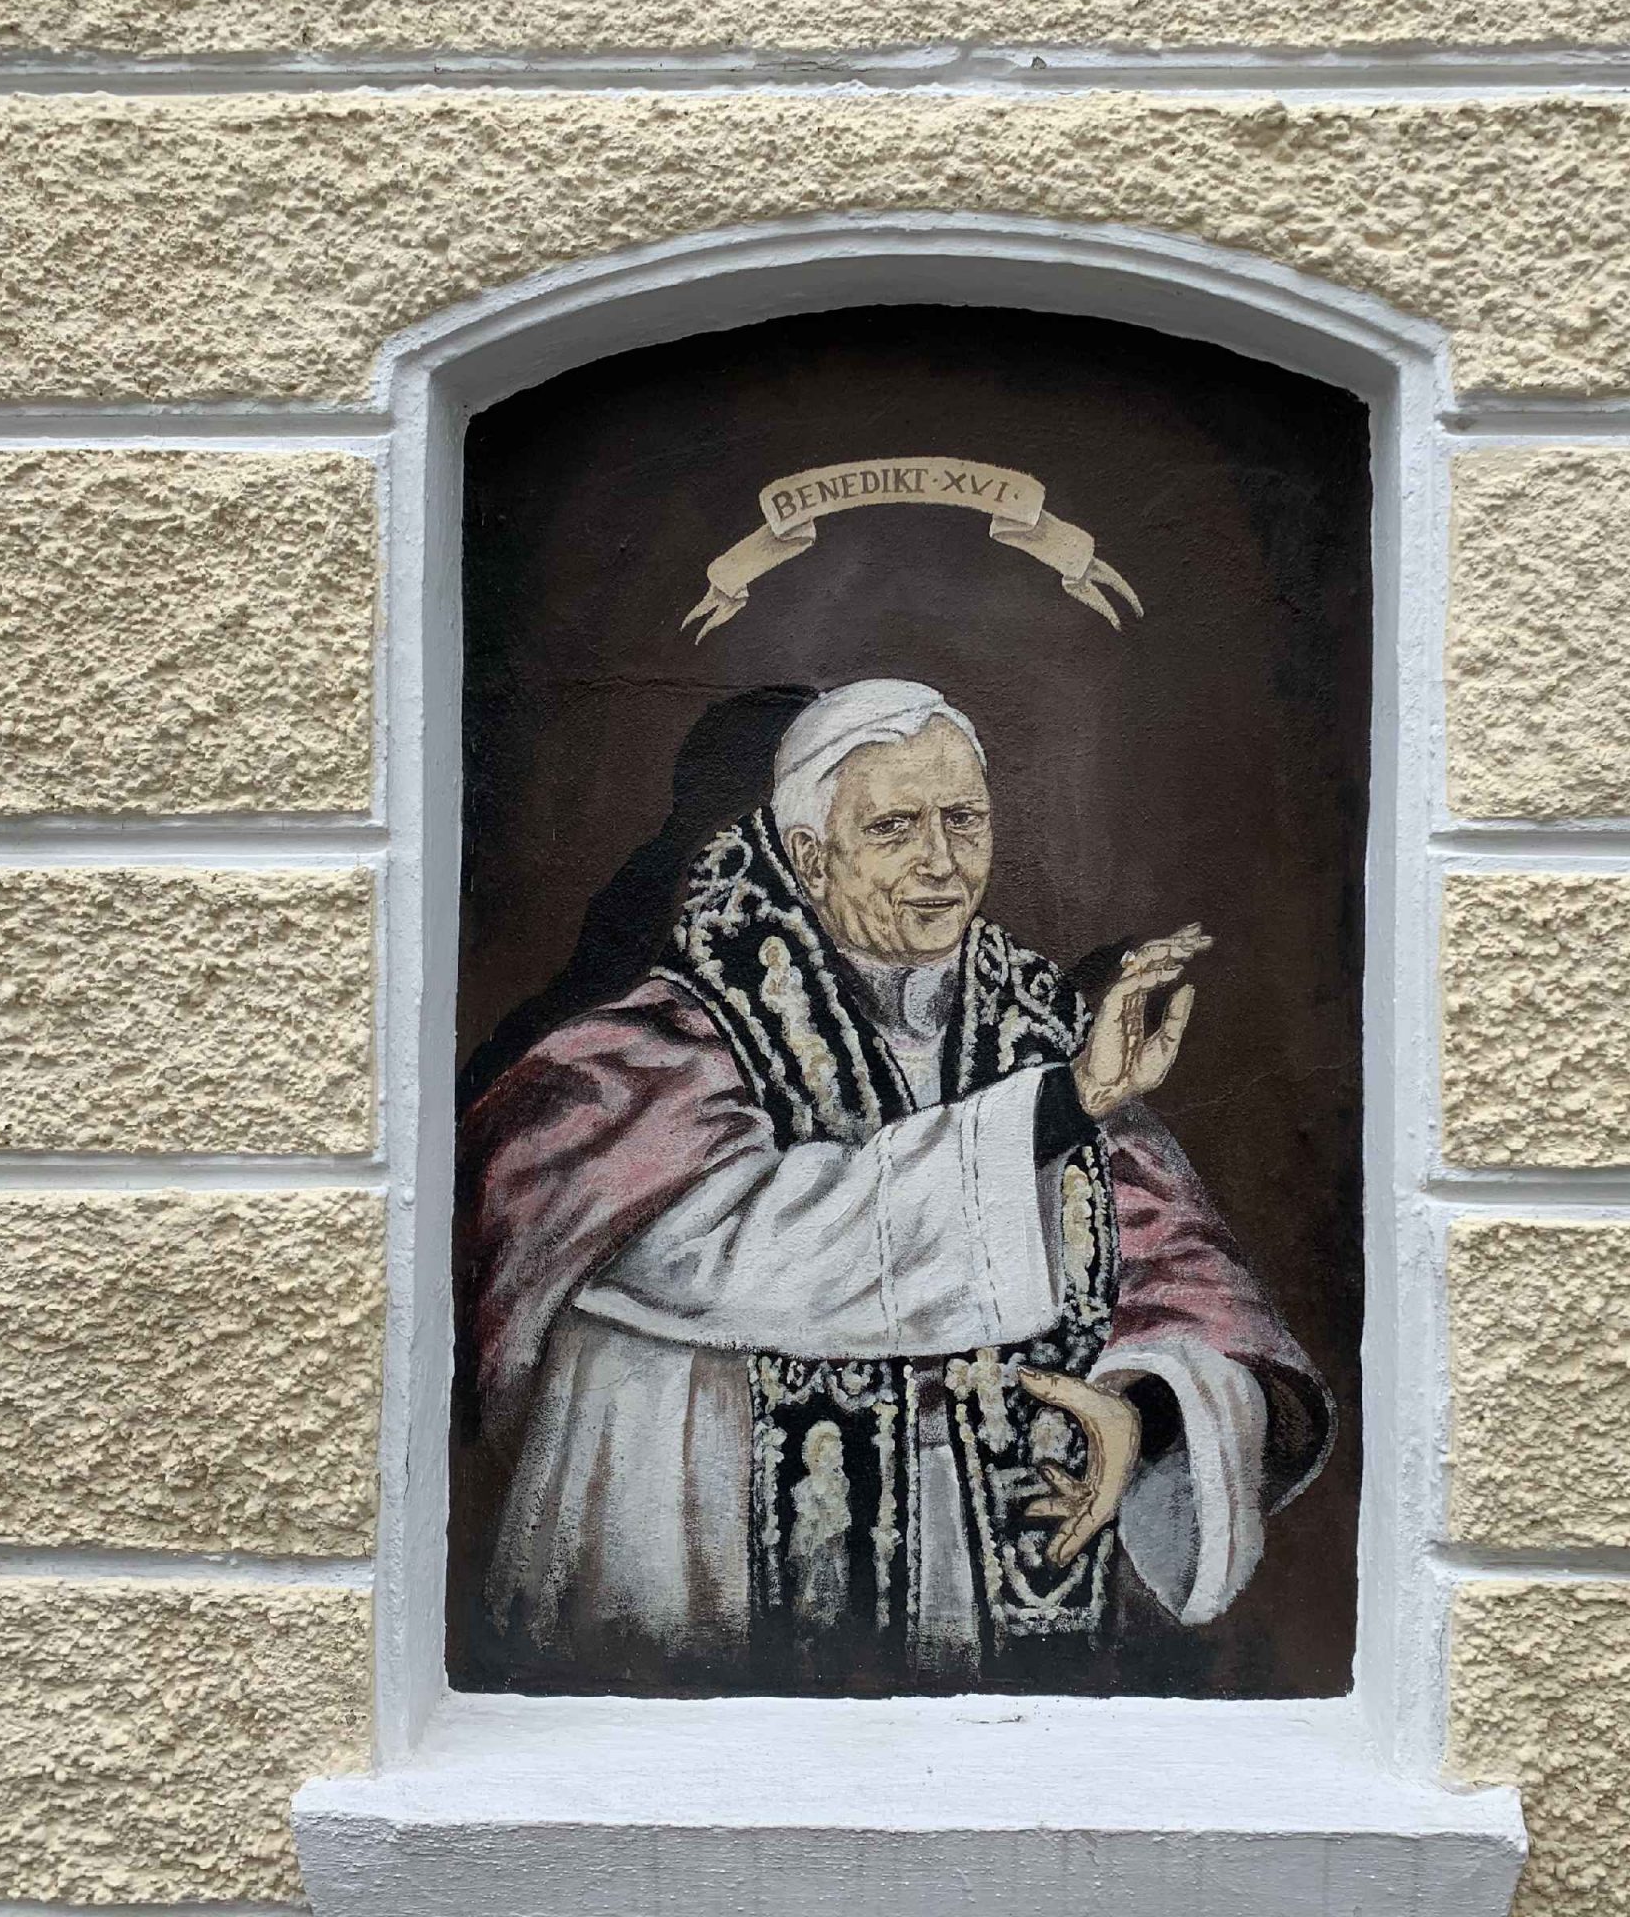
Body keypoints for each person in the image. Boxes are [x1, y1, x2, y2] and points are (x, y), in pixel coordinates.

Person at [464, 679, 1330, 1689]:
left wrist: (1141, 1414)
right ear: (809, 857)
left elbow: (1188, 1289)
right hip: (731, 1592)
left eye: (964, 820)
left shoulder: (1041, 1034)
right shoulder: (654, 1060)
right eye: (894, 827)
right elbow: (748, 1254)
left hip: (1004, 1610)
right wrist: (1055, 1111)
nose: (942, 862)